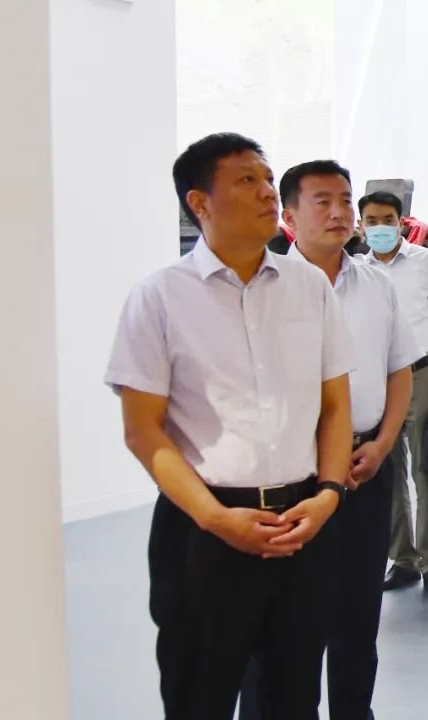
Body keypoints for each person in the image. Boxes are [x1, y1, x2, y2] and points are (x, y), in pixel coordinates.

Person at [105, 133, 354, 719]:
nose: (267, 192)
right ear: (199, 202)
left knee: (293, 694)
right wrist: (215, 518)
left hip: (302, 521)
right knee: (200, 692)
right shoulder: (159, 297)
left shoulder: (308, 286)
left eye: (267, 178)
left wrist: (328, 494)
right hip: (205, 528)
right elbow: (144, 431)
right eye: (247, 180)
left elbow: (335, 406)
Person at [237, 160, 421, 720]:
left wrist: (384, 443)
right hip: (290, 478)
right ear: (289, 216)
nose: (340, 212)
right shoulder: (260, 287)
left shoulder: (378, 285)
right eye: (323, 201)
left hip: (366, 469)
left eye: (345, 199)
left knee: (356, 618)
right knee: (279, 624)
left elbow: (399, 369)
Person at [360, 190, 428, 598]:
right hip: (377, 380)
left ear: (401, 223)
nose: (380, 228)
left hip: (424, 373)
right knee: (386, 470)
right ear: (360, 227)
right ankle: (402, 560)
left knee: (426, 471)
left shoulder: (425, 261)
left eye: (388, 220)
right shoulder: (356, 270)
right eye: (372, 221)